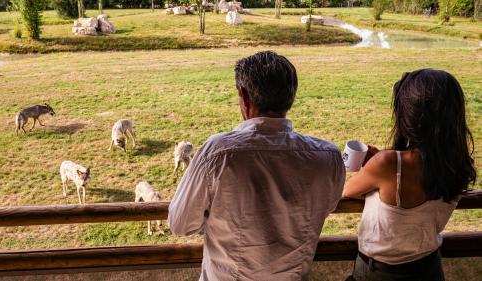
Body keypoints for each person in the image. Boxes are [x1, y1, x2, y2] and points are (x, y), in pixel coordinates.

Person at [168, 51, 345, 281]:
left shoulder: (219, 153)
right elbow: (328, 205)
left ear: (244, 96)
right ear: (291, 96)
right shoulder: (328, 158)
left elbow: (180, 223)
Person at [343, 69, 477, 281]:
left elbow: (348, 190)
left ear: (409, 115)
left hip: (379, 273)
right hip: (430, 268)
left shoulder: (387, 163)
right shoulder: (458, 164)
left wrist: (377, 164)